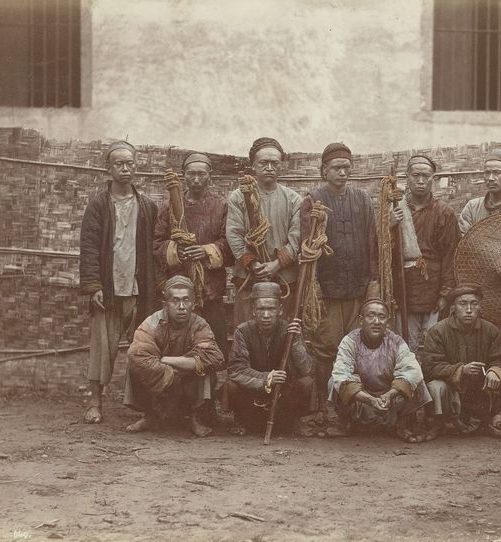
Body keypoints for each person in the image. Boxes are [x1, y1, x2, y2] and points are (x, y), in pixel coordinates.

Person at [79, 140, 158, 424]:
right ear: (108, 168)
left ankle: (143, 406)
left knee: (143, 347)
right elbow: (88, 247)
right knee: (103, 347)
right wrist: (93, 286)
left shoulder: (147, 206)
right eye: (119, 164)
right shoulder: (98, 205)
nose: (125, 169)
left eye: (130, 163)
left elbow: (155, 249)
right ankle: (95, 401)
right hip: (109, 290)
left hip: (138, 290)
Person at [301, 142, 379, 419]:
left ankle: (351, 407)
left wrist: (374, 281)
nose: (342, 173)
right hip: (327, 292)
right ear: (324, 170)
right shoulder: (313, 201)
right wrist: (315, 288)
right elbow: (307, 247)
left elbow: (372, 242)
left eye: (346, 168)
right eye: (336, 168)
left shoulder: (362, 200)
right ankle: (322, 406)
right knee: (326, 348)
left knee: (355, 348)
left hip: (357, 289)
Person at [153, 151, 233, 360]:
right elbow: (157, 244)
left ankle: (211, 389)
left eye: (201, 174)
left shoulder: (221, 206)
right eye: (191, 174)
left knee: (213, 345)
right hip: (179, 288)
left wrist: (206, 250)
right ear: (183, 176)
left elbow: (229, 243)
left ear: (210, 176)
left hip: (210, 289)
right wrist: (176, 252)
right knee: (180, 346)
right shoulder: (169, 207)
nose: (196, 180)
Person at [123, 275, 224, 437]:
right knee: (134, 365)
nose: (182, 306)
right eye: (175, 301)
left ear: (193, 303)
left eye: (186, 300)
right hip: (160, 380)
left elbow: (214, 357)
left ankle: (194, 418)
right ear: (165, 304)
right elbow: (138, 354)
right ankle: (150, 415)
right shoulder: (151, 323)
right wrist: (173, 371)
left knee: (205, 369)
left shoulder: (200, 324)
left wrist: (166, 360)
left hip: (187, 381)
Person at [420, 283, 501, 439]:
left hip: (481, 390)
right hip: (452, 391)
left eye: (474, 304)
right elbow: (429, 366)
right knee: (436, 387)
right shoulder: (438, 331)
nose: (468, 309)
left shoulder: (490, 330)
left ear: (480, 307)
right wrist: (460, 370)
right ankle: (439, 422)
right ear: (453, 307)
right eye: (462, 304)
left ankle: (489, 418)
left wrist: (495, 372)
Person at [330, 299, 430, 442]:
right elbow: (341, 373)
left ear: (387, 322)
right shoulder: (350, 341)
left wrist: (389, 395)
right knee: (334, 382)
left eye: (382, 317)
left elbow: (411, 371)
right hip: (363, 398)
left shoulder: (396, 341)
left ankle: (403, 424)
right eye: (370, 316)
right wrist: (369, 399)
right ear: (361, 320)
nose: (376, 321)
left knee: (416, 380)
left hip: (390, 398)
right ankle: (347, 423)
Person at [226, 137, 301, 325]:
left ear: (281, 166)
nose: (269, 167)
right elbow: (234, 233)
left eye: (274, 163)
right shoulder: (239, 197)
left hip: (283, 278)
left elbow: (296, 236)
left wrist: (277, 264)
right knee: (246, 330)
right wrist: (253, 265)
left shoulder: (293, 199)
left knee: (282, 332)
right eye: (263, 163)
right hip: (250, 276)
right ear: (253, 165)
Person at [222, 282, 313, 436]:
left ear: (280, 310)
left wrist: (296, 342)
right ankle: (241, 419)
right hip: (253, 391)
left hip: (282, 392)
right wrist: (267, 379)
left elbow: (305, 369)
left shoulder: (290, 331)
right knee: (231, 386)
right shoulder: (243, 331)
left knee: (306, 383)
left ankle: (294, 421)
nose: (266, 315)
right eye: (261, 309)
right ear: (253, 311)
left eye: (271, 309)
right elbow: (236, 370)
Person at [390, 155, 459, 351]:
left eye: (426, 176)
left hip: (433, 289)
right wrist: (389, 226)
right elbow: (383, 253)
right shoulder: (396, 210)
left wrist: (445, 294)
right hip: (404, 289)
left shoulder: (444, 213)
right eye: (416, 175)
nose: (421, 181)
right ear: (407, 177)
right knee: (405, 347)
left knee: (434, 346)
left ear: (433, 179)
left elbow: (451, 255)